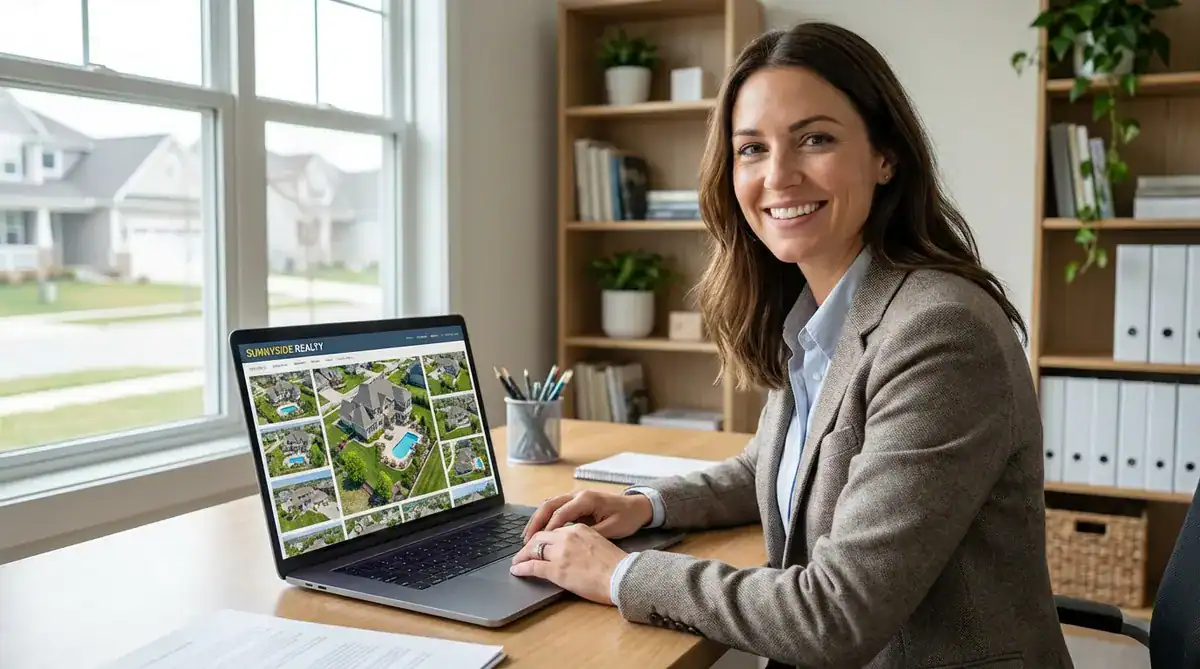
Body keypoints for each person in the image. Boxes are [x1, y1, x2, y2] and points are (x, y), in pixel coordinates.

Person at [510, 21, 1073, 669]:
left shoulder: (939, 331)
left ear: (885, 156)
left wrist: (620, 575)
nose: (778, 175)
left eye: (815, 139)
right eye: (751, 148)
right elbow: (769, 468)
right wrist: (644, 504)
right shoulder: (819, 310)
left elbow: (834, 615)